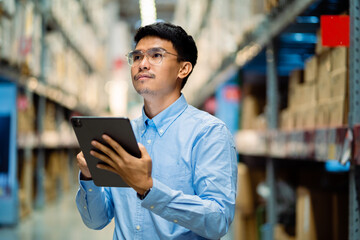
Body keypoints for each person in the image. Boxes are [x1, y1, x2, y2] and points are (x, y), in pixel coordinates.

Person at [75, 22, 238, 240]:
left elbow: (218, 220)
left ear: (183, 68)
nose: (143, 64)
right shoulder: (120, 135)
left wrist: (150, 189)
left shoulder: (209, 133)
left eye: (156, 55)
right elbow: (96, 221)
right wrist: (88, 177)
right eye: (137, 57)